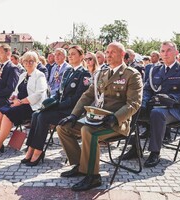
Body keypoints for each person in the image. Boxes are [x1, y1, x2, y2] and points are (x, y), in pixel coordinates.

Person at [57, 42, 143, 191]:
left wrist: (115, 117)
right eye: (107, 52)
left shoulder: (131, 74)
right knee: (63, 127)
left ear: (122, 55)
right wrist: (73, 115)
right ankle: (80, 165)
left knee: (88, 131)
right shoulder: (102, 74)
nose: (108, 55)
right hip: (97, 119)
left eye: (112, 52)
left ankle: (93, 176)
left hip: (117, 123)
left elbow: (134, 103)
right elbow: (87, 95)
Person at [122, 41, 180, 168]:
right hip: (155, 106)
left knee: (157, 113)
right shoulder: (155, 70)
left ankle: (155, 152)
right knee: (133, 109)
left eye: (169, 50)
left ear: (176, 52)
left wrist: (171, 98)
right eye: (163, 51)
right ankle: (135, 147)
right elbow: (147, 89)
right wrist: (143, 103)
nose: (165, 54)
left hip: (176, 109)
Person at [22, 45, 91, 166]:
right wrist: (51, 101)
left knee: (43, 117)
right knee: (36, 115)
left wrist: (58, 105)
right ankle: (31, 148)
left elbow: (78, 98)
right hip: (61, 108)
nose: (70, 56)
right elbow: (60, 92)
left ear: (81, 56)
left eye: (73, 54)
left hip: (72, 111)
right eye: (69, 54)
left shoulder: (85, 74)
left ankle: (38, 151)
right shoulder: (68, 71)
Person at [0, 51, 48, 157]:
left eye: (31, 61)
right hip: (18, 103)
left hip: (31, 106)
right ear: (23, 62)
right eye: (26, 61)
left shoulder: (40, 75)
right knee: (0, 112)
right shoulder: (23, 75)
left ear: (36, 62)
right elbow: (16, 91)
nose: (28, 63)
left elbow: (39, 94)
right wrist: (14, 96)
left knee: (7, 115)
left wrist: (20, 102)